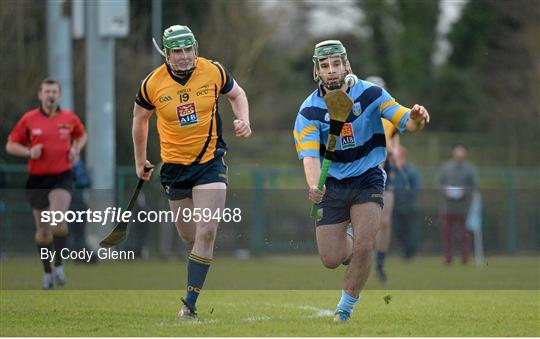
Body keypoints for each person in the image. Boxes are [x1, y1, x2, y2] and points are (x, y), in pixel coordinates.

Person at [293, 40, 429, 322]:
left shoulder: (371, 94)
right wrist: (314, 185)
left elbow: (406, 120)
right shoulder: (308, 111)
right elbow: (309, 158)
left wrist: (417, 118)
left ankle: (345, 308)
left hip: (368, 176)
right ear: (317, 70)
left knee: (366, 244)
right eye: (325, 66)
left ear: (346, 65)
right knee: (331, 259)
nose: (331, 71)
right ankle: (352, 237)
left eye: (336, 64)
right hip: (333, 183)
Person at [132, 25, 251, 320]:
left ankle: (189, 304)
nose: (184, 57)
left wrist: (243, 120)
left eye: (188, 49)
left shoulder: (213, 71)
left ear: (195, 48)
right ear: (166, 54)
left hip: (210, 162)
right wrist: (139, 160)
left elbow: (238, 95)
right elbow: (139, 120)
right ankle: (199, 264)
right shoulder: (152, 84)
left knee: (207, 230)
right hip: (173, 168)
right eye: (177, 51)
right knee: (190, 236)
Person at [6, 78, 87, 289]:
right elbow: (11, 145)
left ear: (59, 95)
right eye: (47, 92)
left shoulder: (69, 118)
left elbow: (82, 136)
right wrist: (28, 152)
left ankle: (59, 264)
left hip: (62, 176)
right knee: (43, 232)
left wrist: (75, 149)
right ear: (40, 95)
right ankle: (47, 272)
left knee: (57, 221)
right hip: (37, 179)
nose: (51, 95)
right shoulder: (29, 119)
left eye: (54, 92)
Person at [365, 75, 400, 286]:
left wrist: (394, 153)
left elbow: (395, 142)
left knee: (385, 222)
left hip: (385, 169)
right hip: (365, 170)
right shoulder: (358, 116)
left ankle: (379, 264)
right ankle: (361, 258)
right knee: (366, 223)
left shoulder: (389, 118)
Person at [438, 144, 478, 264]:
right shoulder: (445, 168)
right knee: (447, 234)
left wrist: (464, 191)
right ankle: (447, 258)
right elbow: (439, 183)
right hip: (447, 207)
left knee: (464, 235)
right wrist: (446, 190)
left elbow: (474, 186)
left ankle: (465, 258)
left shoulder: (470, 169)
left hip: (464, 207)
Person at [392, 145, 421, 259]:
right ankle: (406, 251)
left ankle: (410, 253)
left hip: (408, 206)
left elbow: (416, 187)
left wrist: (409, 199)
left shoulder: (411, 170)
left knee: (410, 230)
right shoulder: (392, 170)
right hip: (395, 206)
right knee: (398, 230)